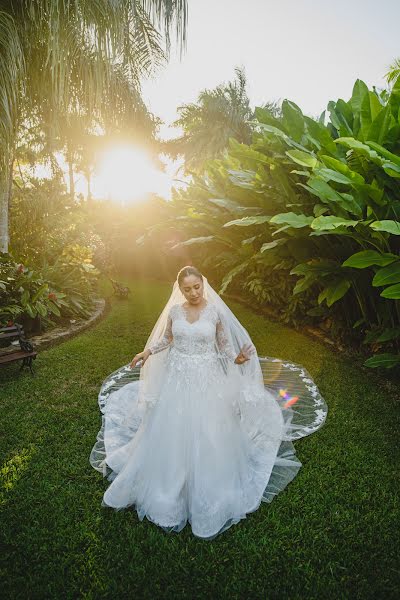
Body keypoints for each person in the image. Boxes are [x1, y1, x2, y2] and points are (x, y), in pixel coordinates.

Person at [89, 266, 328, 539]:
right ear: (180, 290)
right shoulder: (175, 312)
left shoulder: (214, 313)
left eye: (196, 287)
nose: (193, 293)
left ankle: (209, 485)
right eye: (187, 289)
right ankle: (166, 484)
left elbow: (225, 347)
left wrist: (237, 359)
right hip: (177, 379)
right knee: (171, 428)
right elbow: (167, 339)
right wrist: (146, 351)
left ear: (203, 284)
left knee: (209, 430)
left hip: (206, 378)